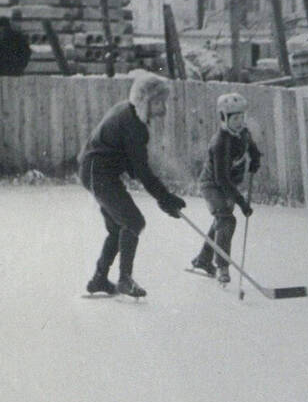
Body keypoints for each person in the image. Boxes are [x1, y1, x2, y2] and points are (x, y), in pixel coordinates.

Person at [78, 72, 187, 298]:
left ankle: (99, 279)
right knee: (133, 221)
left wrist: (163, 197)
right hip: (98, 174)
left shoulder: (127, 113)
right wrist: (165, 198)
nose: (162, 108)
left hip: (95, 172)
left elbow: (130, 161)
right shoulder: (133, 125)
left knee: (118, 227)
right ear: (144, 101)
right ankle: (125, 280)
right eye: (158, 102)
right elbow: (141, 170)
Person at [190, 93, 262, 283]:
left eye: (241, 117)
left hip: (230, 184)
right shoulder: (220, 142)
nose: (239, 122)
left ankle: (203, 259)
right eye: (235, 118)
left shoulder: (243, 133)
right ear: (224, 118)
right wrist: (241, 202)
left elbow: (251, 147)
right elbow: (221, 179)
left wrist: (255, 159)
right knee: (226, 220)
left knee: (220, 222)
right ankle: (222, 266)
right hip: (213, 185)